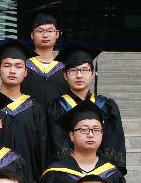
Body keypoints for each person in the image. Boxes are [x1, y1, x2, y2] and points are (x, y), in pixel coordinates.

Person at [39, 100, 130, 183]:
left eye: (96, 130)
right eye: (84, 130)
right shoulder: (54, 174)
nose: (90, 134)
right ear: (71, 135)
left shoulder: (113, 175)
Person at [47, 43, 127, 175]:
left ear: (92, 74)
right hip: (68, 174)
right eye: (73, 70)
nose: (79, 75)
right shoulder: (56, 107)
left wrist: (102, 172)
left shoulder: (106, 106)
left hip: (101, 175)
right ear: (65, 75)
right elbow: (56, 143)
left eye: (84, 70)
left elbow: (114, 141)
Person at [0, 39, 48, 183]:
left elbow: (41, 150)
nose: (12, 71)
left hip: (27, 182)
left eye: (18, 66)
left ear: (26, 72)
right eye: (7, 65)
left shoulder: (34, 109)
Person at [22, 8, 68, 111]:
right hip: (30, 119)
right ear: (32, 35)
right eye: (40, 30)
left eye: (50, 31)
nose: (45, 35)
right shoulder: (22, 67)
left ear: (57, 34)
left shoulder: (65, 69)